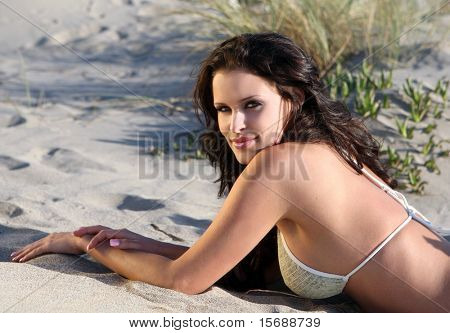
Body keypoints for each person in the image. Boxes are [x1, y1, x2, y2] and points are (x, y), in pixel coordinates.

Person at [10, 32, 449, 312]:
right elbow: (230, 264)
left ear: (292, 98)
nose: (234, 126)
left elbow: (185, 281)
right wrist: (138, 241)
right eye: (223, 109)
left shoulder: (280, 166)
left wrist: (84, 244)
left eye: (251, 106)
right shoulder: (325, 148)